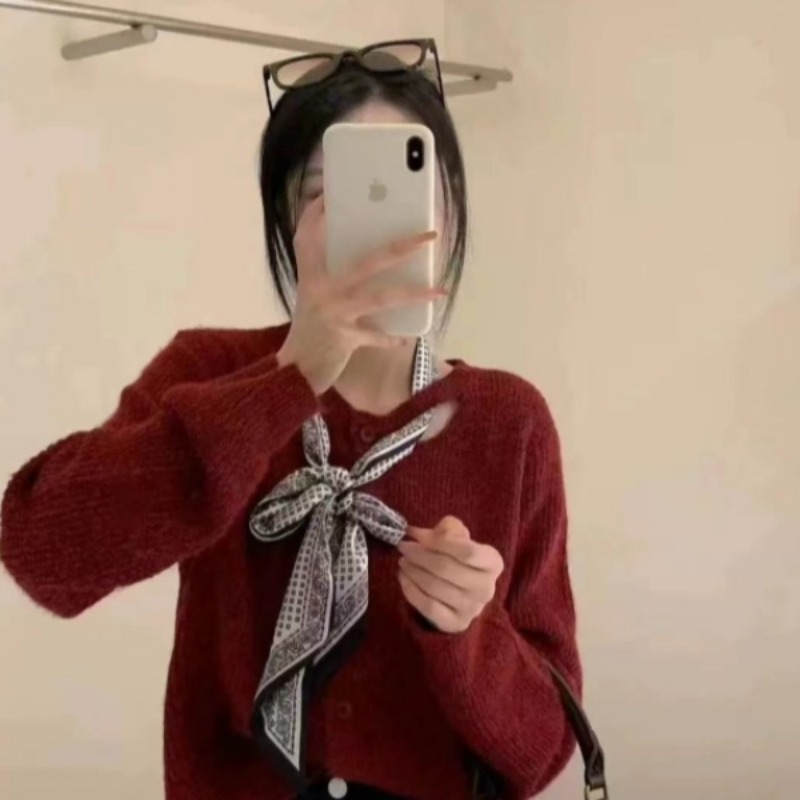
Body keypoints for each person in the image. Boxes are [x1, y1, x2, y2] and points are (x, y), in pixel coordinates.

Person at [0, 40, 580, 800]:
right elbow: (43, 550)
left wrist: (471, 632)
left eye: (405, 192)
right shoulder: (210, 373)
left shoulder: (509, 422)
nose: (374, 228)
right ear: (284, 218)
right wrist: (288, 379)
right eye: (327, 196)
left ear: (450, 209)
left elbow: (543, 753)